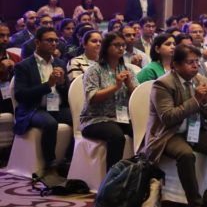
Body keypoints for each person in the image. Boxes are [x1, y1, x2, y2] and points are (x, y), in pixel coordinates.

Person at [144, 45, 207, 207]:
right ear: (176, 65)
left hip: (195, 130)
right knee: (186, 154)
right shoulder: (163, 84)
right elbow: (168, 118)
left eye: (197, 62)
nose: (195, 66)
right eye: (189, 62)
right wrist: (196, 100)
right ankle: (195, 205)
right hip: (168, 134)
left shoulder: (200, 80)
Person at [13, 27, 74, 176]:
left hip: (57, 107)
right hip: (33, 108)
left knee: (80, 120)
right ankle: (50, 165)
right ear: (37, 42)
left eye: (55, 40)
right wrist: (48, 85)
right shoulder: (24, 66)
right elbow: (21, 95)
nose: (54, 43)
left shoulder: (59, 62)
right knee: (50, 123)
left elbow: (67, 95)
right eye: (49, 40)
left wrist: (61, 84)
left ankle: (68, 160)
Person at [81, 32, 136, 171]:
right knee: (116, 136)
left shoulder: (127, 69)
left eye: (123, 45)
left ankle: (136, 173)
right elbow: (92, 98)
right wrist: (116, 86)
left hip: (121, 118)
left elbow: (137, 96)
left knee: (142, 131)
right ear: (106, 47)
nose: (121, 48)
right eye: (116, 45)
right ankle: (111, 180)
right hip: (95, 119)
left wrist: (129, 84)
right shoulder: (94, 70)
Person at [0, 22, 15, 114]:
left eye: (8, 36)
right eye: (1, 35)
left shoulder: (14, 57)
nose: (5, 39)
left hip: (10, 97)